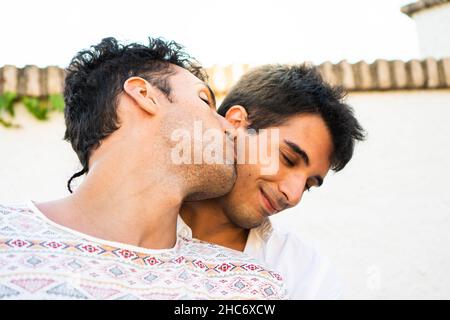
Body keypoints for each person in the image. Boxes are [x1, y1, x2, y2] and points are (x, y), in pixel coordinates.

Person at [0, 37, 288, 300]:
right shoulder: (7, 239)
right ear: (143, 94)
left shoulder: (248, 288)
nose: (231, 128)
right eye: (204, 101)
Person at [180, 64, 365, 299]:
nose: (294, 195)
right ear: (236, 124)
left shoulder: (306, 276)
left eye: (308, 185)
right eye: (287, 159)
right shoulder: (131, 221)